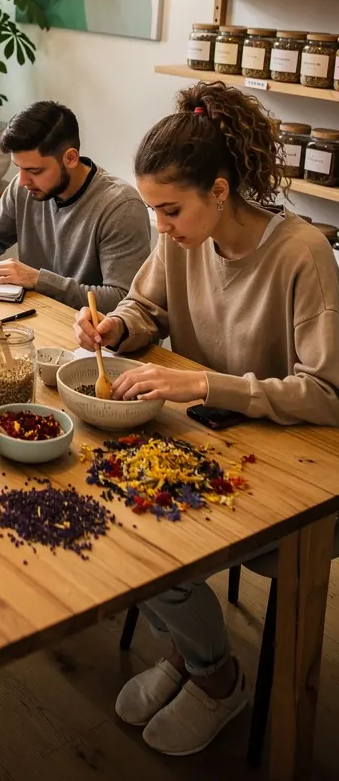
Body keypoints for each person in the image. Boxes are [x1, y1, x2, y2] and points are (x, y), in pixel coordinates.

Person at [73, 81, 339, 757]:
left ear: (221, 192)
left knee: (148, 533)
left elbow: (325, 394)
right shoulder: (182, 239)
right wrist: (114, 326)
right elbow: (146, 309)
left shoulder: (303, 254)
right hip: (209, 442)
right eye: (152, 210)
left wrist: (202, 381)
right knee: (105, 509)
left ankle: (216, 676)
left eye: (170, 211)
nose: (159, 227)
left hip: (294, 470)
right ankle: (196, 653)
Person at [0, 100, 151, 309]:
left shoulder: (121, 207)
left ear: (70, 158)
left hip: (95, 336)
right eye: (19, 168)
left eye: (35, 171)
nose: (23, 180)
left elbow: (123, 300)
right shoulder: (24, 187)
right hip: (43, 317)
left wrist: (39, 280)